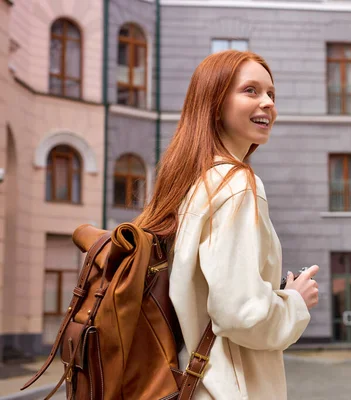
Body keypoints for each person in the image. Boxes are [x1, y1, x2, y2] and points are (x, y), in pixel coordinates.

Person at [134, 50, 319, 399]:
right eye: (250, 90)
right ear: (214, 103)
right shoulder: (236, 185)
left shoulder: (191, 184)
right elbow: (240, 314)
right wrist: (294, 301)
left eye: (271, 94)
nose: (267, 103)